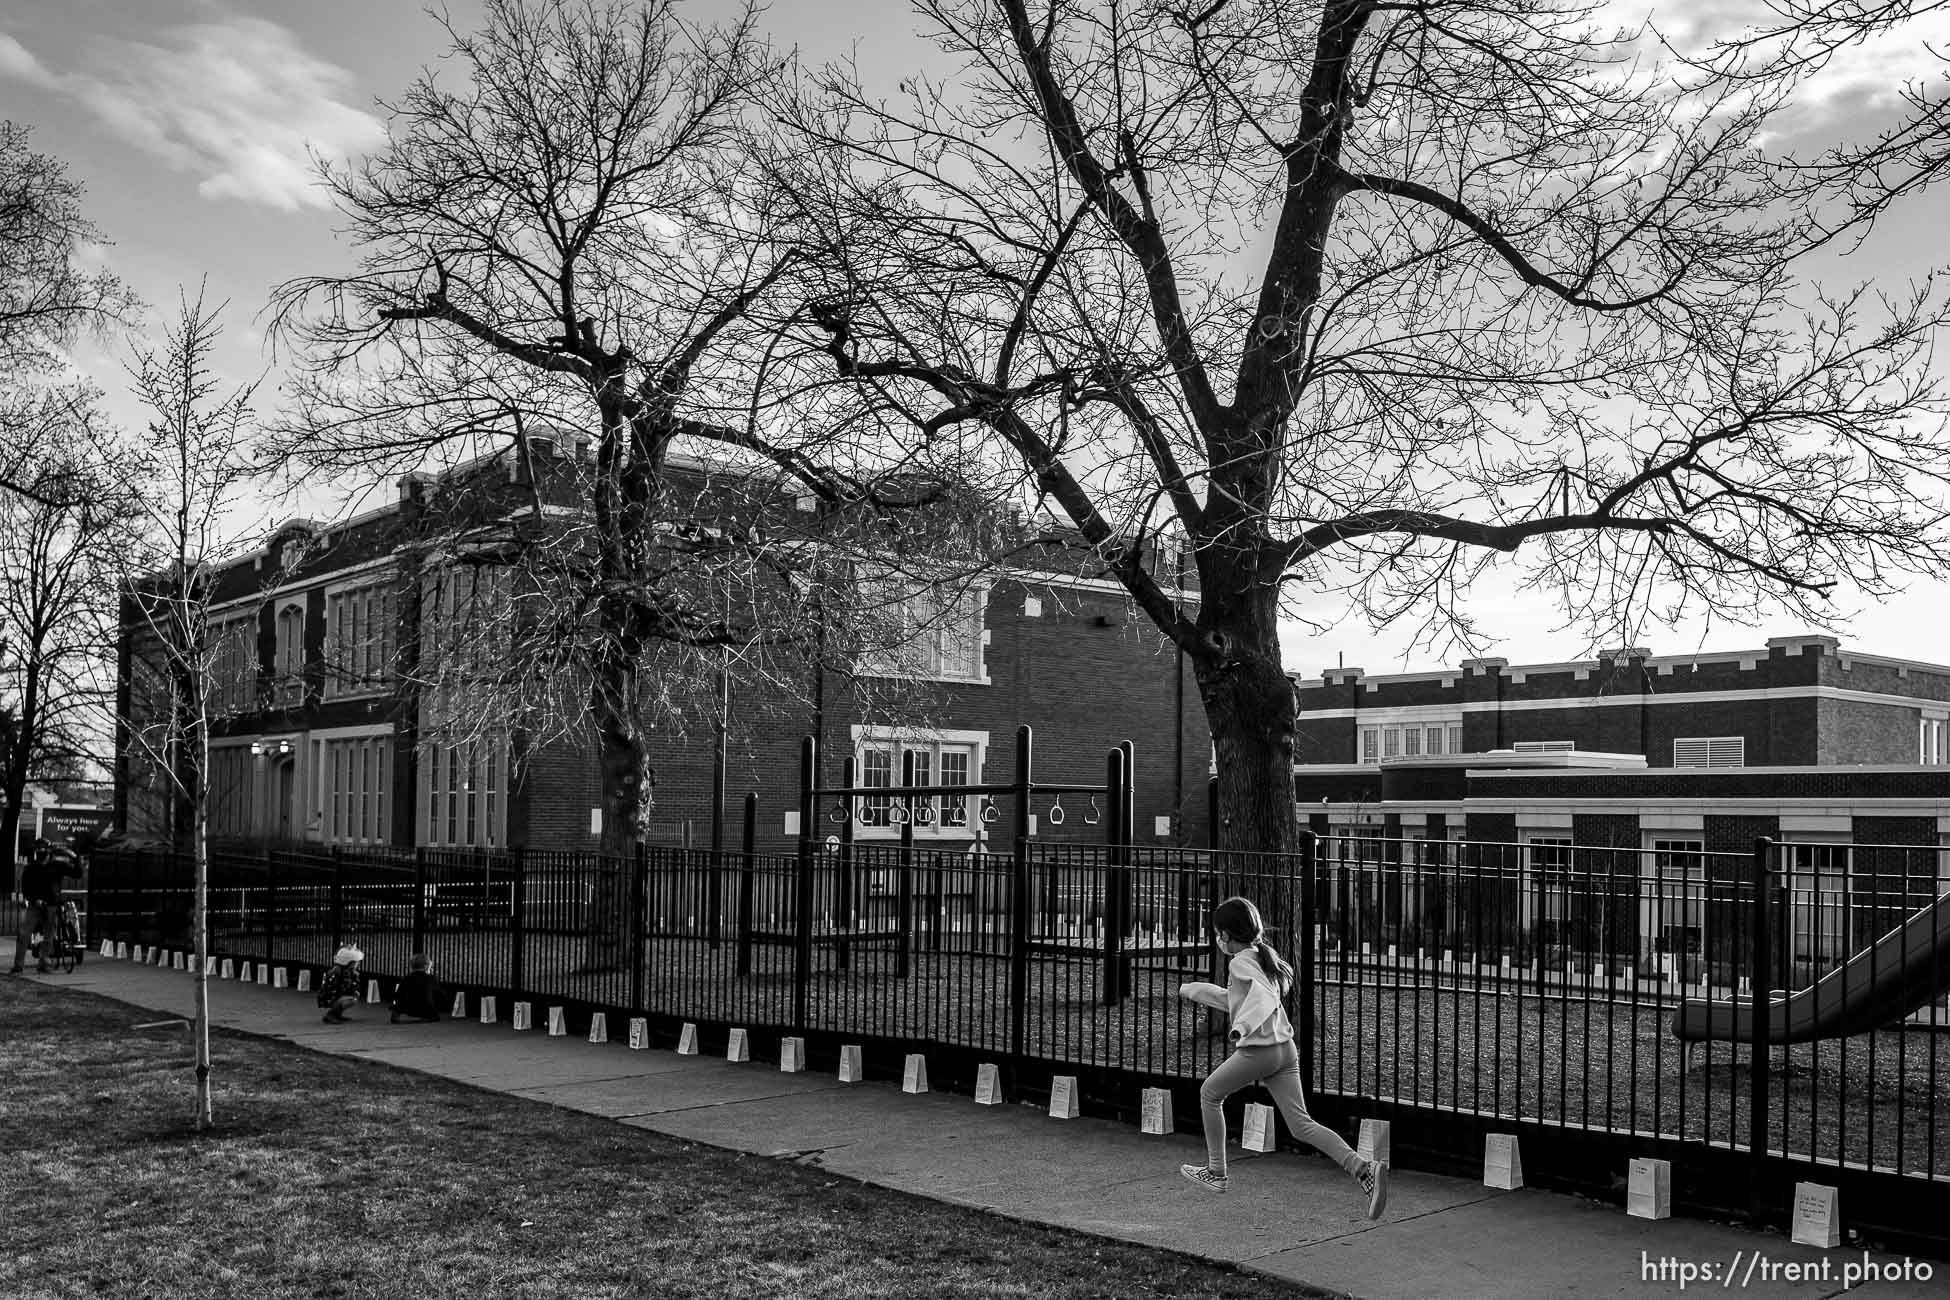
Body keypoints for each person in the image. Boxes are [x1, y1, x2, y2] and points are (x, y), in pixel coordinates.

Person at [1176, 895, 1388, 1219]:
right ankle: (1362, 1168)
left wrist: (1241, 1027)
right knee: (1301, 1125)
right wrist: (1195, 990)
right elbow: (1237, 1000)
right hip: (1284, 1052)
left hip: (1259, 1052)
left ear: (1228, 935)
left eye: (1218, 933)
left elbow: (1259, 999)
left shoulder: (1239, 962)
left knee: (1209, 1094)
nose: (1217, 939)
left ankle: (1216, 1172)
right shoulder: (1261, 958)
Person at [10, 839, 78, 975]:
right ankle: (18, 966)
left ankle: (44, 963)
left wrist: (75, 858)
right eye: (38, 850)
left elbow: (77, 874)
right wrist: (35, 900)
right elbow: (26, 888)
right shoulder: (30, 868)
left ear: (48, 851)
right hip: (35, 905)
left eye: (42, 850)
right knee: (24, 934)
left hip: (52, 905)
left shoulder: (57, 866)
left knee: (49, 936)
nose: (40, 853)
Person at [389, 951, 447, 1024]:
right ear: (426, 966)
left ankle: (396, 1014)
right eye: (430, 967)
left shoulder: (407, 978)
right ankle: (431, 1017)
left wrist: (397, 1004)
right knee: (433, 1000)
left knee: (400, 1002)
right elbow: (440, 993)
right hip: (425, 1008)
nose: (431, 969)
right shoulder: (431, 978)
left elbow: (398, 995)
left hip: (407, 1008)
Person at [317, 945, 364, 1023]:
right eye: (355, 962)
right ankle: (331, 1015)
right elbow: (331, 989)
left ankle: (337, 1014)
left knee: (353, 997)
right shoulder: (338, 971)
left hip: (334, 995)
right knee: (352, 999)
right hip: (329, 997)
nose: (357, 964)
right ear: (349, 962)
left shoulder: (346, 971)